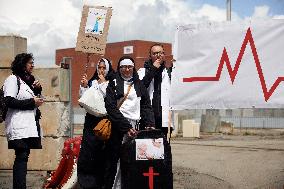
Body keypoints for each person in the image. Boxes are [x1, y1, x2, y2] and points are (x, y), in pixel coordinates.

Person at [104, 56, 155, 189]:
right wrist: (126, 127)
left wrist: (150, 122)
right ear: (119, 68)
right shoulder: (113, 83)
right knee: (117, 161)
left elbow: (145, 105)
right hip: (118, 127)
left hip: (136, 127)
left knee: (134, 160)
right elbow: (111, 108)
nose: (126, 70)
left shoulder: (139, 84)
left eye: (129, 67)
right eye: (123, 67)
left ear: (133, 68)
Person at [3, 53, 44, 189]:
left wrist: (37, 90)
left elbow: (29, 99)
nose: (32, 65)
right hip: (18, 125)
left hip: (27, 126)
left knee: (23, 156)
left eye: (33, 62)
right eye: (30, 62)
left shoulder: (28, 81)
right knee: (21, 156)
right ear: (22, 64)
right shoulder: (12, 79)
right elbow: (8, 101)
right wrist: (32, 102)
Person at [77, 58, 115, 189]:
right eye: (99, 67)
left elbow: (110, 98)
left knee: (104, 153)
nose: (101, 70)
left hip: (105, 122)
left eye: (104, 68)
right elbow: (83, 102)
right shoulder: (92, 82)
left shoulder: (112, 82)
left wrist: (104, 83)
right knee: (89, 152)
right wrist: (84, 87)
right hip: (91, 122)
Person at [138, 43, 173, 137]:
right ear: (150, 56)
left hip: (163, 119)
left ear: (164, 55)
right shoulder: (142, 71)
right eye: (155, 53)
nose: (158, 55)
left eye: (161, 53)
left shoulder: (169, 73)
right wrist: (153, 69)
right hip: (147, 120)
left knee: (162, 150)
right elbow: (140, 89)